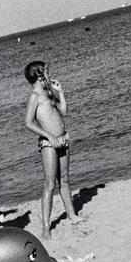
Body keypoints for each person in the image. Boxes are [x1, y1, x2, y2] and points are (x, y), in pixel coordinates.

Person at [23, 60, 83, 238]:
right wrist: (49, 136)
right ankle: (46, 226)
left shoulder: (49, 92)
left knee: (64, 179)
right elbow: (28, 122)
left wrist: (61, 92)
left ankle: (72, 215)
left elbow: (63, 112)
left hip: (63, 139)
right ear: (40, 75)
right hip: (49, 144)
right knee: (49, 184)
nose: (50, 75)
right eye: (47, 72)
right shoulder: (35, 96)